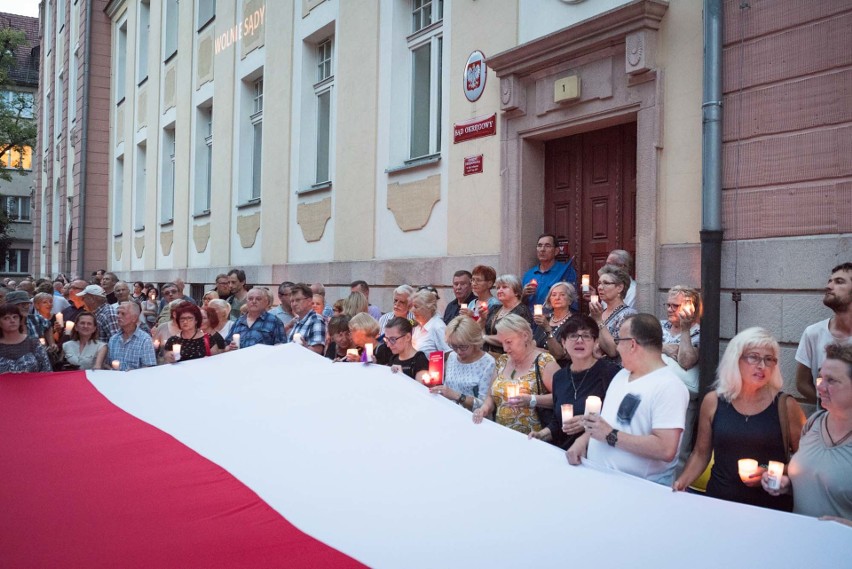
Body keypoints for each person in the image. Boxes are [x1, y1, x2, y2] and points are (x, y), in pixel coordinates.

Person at [674, 327, 805, 510]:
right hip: (719, 503)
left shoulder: (785, 406)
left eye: (769, 359)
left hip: (770, 508)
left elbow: (805, 461)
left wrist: (769, 472)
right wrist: (681, 484)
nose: (762, 366)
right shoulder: (713, 402)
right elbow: (700, 453)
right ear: (735, 359)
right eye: (753, 357)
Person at [568, 314, 689, 486]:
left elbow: (666, 448)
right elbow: (608, 423)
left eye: (619, 340)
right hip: (602, 481)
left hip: (639, 490)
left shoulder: (669, 386)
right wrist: (583, 440)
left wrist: (611, 436)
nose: (616, 348)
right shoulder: (621, 375)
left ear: (632, 344)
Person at [762, 344, 852, 526]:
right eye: (820, 378)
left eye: (831, 380)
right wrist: (788, 486)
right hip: (802, 542)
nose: (820, 387)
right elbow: (816, 486)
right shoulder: (814, 423)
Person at [529, 315, 620, 450]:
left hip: (598, 451)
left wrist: (588, 421)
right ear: (564, 343)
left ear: (596, 342)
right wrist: (542, 434)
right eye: (573, 336)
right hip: (564, 452)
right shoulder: (560, 377)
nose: (579, 341)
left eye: (586, 336)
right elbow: (558, 422)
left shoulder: (610, 373)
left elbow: (617, 417)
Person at [472, 314, 558, 434]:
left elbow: (561, 397)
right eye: (502, 343)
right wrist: (483, 410)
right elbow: (491, 396)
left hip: (533, 437)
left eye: (508, 342)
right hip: (502, 433)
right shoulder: (502, 361)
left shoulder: (544, 362)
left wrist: (532, 399)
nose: (505, 348)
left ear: (525, 336)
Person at [796, 262, 852, 405]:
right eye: (830, 281)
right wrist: (828, 405)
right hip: (826, 423)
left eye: (839, 282)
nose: (829, 286)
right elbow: (802, 383)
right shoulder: (813, 333)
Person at [660, 285, 702, 466]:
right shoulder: (661, 326)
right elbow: (642, 346)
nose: (669, 309)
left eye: (675, 306)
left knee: (678, 450)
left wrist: (685, 330)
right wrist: (666, 348)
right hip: (658, 393)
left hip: (682, 398)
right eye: (668, 305)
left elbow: (686, 361)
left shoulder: (698, 332)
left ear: (690, 308)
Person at [430, 315, 496, 413]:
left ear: (474, 341)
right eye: (454, 346)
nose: (459, 351)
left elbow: (485, 405)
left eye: (463, 347)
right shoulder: (452, 356)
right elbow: (447, 387)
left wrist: (458, 396)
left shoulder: (487, 363)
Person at [589, 264, 637, 363]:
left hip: (613, 371)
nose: (600, 287)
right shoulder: (598, 312)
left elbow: (613, 351)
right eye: (599, 283)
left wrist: (598, 320)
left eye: (606, 283)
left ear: (620, 287)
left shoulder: (628, 315)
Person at [521, 233, 577, 312]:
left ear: (556, 251)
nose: (542, 249)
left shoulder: (566, 271)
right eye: (539, 245)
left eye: (547, 246)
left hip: (554, 320)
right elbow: (520, 305)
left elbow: (572, 300)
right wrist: (524, 295)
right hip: (531, 321)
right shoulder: (528, 275)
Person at [480, 274, 532, 355]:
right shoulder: (495, 308)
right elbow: (477, 330)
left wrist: (484, 337)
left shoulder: (521, 311)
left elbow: (510, 340)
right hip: (487, 356)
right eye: (498, 288)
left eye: (504, 287)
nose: (500, 290)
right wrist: (482, 318)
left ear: (516, 292)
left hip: (509, 359)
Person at [532, 281, 577, 367]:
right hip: (538, 367)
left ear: (570, 300)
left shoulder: (574, 322)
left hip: (560, 369)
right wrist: (547, 352)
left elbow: (559, 354)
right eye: (554, 295)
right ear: (549, 300)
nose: (557, 298)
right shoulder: (545, 319)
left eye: (562, 294)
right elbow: (532, 346)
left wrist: (547, 328)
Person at [0, 303, 52, 372]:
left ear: (20, 320)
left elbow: (47, 370)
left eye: (15, 317)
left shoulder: (33, 343)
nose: (12, 321)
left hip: (33, 382)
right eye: (6, 318)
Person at [107, 302, 157, 371]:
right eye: (118, 313)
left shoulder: (145, 340)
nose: (118, 316)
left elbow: (149, 368)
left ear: (134, 318)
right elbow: (107, 364)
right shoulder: (113, 339)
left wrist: (132, 374)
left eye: (123, 313)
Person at [383, 317, 429, 381]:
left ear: (408, 337)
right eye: (386, 339)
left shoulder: (419, 360)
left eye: (393, 339)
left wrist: (402, 377)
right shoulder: (393, 359)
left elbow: (420, 389)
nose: (388, 345)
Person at [285, 283, 326, 354]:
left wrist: (304, 347)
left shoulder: (316, 320)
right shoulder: (297, 321)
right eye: (292, 301)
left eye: (298, 300)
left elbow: (317, 352)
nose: (294, 304)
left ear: (309, 301)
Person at [410, 288, 450, 355]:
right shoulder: (417, 325)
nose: (412, 310)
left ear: (428, 308)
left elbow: (448, 353)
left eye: (416, 307)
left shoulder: (438, 327)